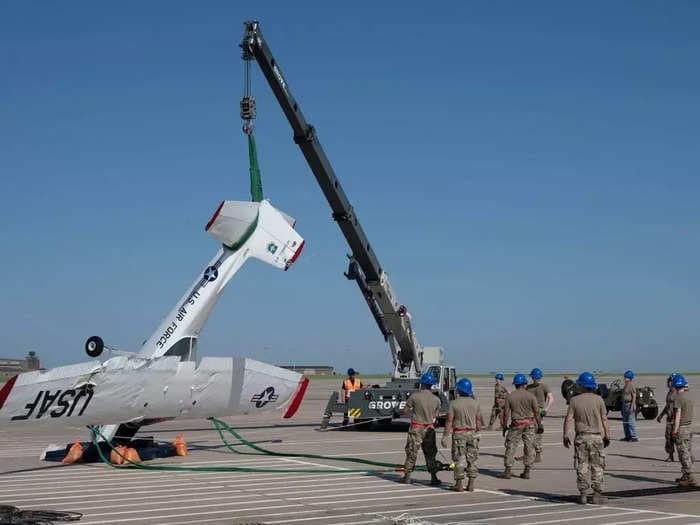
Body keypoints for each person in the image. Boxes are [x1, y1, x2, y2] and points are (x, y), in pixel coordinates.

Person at [563, 372, 611, 505]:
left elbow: (568, 419)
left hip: (581, 437)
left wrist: (565, 435)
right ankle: (596, 494)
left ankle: (583, 494)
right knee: (597, 466)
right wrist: (607, 435)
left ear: (581, 386)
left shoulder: (574, 400)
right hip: (596, 437)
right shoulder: (599, 400)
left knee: (582, 465)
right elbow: (604, 419)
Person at [441, 377, 483, 492]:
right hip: (472, 434)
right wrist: (478, 432)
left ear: (459, 390)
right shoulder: (476, 403)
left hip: (459, 434)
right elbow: (479, 420)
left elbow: (449, 421)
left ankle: (459, 484)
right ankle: (471, 484)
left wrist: (445, 436)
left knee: (459, 458)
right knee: (472, 459)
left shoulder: (454, 403)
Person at [400, 372, 441, 485]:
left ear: (422, 383)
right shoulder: (436, 399)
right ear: (431, 385)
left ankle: (407, 476)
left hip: (416, 428)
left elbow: (405, 411)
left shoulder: (414, 396)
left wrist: (398, 412)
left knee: (412, 452)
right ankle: (434, 477)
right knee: (430, 454)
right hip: (429, 429)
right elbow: (436, 417)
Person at [499, 373, 542, 480]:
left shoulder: (510, 396)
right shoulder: (531, 396)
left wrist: (504, 426)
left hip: (516, 424)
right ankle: (527, 471)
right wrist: (539, 424)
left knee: (511, 446)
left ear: (515, 384)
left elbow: (506, 413)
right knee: (529, 447)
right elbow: (536, 412)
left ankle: (508, 470)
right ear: (524, 384)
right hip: (530, 424)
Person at [670, 374, 696, 487]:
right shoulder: (689, 397)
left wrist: (674, 431)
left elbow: (677, 416)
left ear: (675, 385)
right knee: (688, 451)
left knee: (683, 453)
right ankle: (685, 475)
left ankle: (690, 477)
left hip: (681, 428)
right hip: (689, 427)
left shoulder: (678, 398)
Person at [526, 367, 554, 462]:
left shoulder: (544, 386)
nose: (536, 379)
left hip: (538, 412)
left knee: (536, 432)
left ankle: (537, 454)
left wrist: (546, 409)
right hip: (529, 412)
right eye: (535, 377)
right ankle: (529, 453)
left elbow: (551, 398)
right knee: (528, 433)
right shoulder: (528, 387)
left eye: (537, 378)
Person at [657, 373, 678, 462]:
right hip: (669, 419)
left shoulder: (677, 393)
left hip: (676, 419)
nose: (668, 383)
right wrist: (661, 415)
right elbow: (667, 406)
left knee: (678, 438)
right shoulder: (669, 393)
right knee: (668, 438)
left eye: (670, 381)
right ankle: (671, 456)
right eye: (668, 381)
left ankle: (686, 456)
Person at [620, 370, 638, 442]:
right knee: (625, 421)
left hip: (630, 404)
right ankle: (627, 436)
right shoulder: (625, 385)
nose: (624, 378)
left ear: (629, 378)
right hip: (625, 405)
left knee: (631, 421)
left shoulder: (631, 386)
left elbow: (634, 396)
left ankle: (634, 436)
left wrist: (632, 406)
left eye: (626, 377)